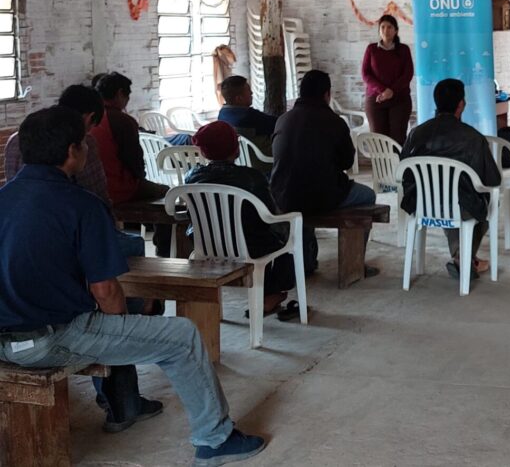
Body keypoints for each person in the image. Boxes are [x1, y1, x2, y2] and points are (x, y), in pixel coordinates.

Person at [0, 107, 265, 465]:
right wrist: (121, 326)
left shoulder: (4, 197)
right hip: (47, 338)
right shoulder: (82, 205)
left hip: (5, 338)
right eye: (84, 144)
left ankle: (126, 405)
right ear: (71, 152)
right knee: (180, 336)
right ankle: (216, 439)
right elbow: (106, 293)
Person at [186, 122, 300, 320]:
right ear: (236, 149)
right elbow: (270, 215)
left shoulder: (191, 178)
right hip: (249, 247)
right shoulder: (252, 177)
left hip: (207, 246)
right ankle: (271, 294)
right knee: (291, 233)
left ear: (204, 152)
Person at [271, 70, 376, 276]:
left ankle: (306, 261)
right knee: (368, 196)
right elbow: (346, 161)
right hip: (323, 196)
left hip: (281, 194)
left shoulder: (284, 119)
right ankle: (354, 262)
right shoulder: (334, 121)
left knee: (301, 198)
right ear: (327, 94)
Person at [400, 79, 501, 280]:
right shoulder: (472, 137)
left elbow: (404, 170)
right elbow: (492, 179)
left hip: (421, 203)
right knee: (485, 202)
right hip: (459, 206)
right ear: (461, 104)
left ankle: (462, 258)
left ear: (436, 102)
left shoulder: (416, 133)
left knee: (453, 198)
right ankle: (463, 258)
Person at [90, 72, 169, 205]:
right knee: (167, 193)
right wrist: (142, 181)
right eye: (128, 95)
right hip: (116, 188)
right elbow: (133, 160)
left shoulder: (88, 117)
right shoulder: (122, 121)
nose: (127, 101)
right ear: (120, 93)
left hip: (91, 187)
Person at [361, 14, 414, 146]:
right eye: (383, 27)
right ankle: (382, 167)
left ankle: (398, 167)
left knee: (398, 141)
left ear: (395, 30)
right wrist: (384, 91)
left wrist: (391, 91)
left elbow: (408, 74)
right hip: (376, 100)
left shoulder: (403, 50)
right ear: (379, 30)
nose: (386, 30)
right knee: (379, 142)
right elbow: (365, 74)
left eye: (389, 27)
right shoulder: (371, 49)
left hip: (400, 101)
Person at [217, 75, 277, 154]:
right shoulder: (249, 116)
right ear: (239, 99)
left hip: (241, 160)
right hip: (265, 159)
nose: (252, 92)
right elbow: (280, 124)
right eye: (248, 90)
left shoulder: (222, 115)